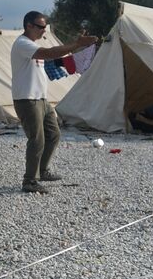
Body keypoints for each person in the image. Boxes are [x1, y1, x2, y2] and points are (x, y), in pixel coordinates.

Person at [12, 12, 97, 194]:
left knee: (53, 134)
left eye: (44, 26)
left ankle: (42, 171)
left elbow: (52, 57)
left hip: (41, 99)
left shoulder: (32, 45)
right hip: (27, 99)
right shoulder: (22, 44)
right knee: (37, 139)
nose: (44, 30)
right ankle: (29, 181)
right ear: (29, 25)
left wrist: (75, 48)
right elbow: (48, 53)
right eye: (41, 26)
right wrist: (76, 45)